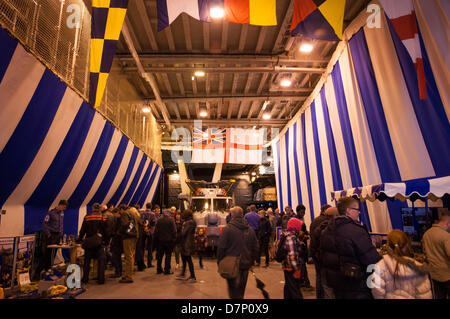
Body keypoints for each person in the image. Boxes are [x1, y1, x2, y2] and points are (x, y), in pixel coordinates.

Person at [320, 197, 382, 299]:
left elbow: (324, 258)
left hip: (336, 284)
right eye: (357, 210)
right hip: (357, 285)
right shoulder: (356, 231)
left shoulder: (326, 230)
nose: (359, 213)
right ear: (348, 211)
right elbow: (372, 261)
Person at [371, 230, 432, 299]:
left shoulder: (380, 266)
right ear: (406, 244)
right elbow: (424, 295)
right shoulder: (418, 267)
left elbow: (377, 292)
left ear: (389, 245)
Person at [217, 206, 259, 299]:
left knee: (233, 292)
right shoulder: (250, 230)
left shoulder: (227, 229)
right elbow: (256, 247)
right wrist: (252, 261)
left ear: (232, 215)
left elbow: (221, 247)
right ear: (242, 215)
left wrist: (219, 261)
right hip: (245, 265)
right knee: (241, 291)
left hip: (231, 265)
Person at [310, 206, 338, 299]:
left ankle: (319, 295)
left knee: (320, 277)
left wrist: (313, 254)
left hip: (319, 255)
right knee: (329, 284)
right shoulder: (331, 226)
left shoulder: (315, 222)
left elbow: (313, 241)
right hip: (327, 258)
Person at [422, 209, 450, 299]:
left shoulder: (426, 234)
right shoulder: (446, 236)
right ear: (448, 224)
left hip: (434, 274)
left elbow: (425, 252)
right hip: (447, 275)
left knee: (438, 296)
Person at [37, 200, 68, 275]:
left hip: (58, 236)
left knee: (53, 254)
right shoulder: (51, 213)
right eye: (63, 207)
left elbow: (61, 224)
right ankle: (37, 272)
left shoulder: (62, 213)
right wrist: (48, 235)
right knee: (47, 254)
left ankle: (48, 269)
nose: (64, 209)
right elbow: (45, 224)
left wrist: (61, 234)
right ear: (60, 205)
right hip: (51, 235)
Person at [78, 206, 107, 285]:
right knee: (101, 261)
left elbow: (83, 230)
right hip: (99, 243)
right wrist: (105, 241)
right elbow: (105, 230)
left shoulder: (87, 217)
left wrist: (79, 239)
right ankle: (101, 279)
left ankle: (85, 279)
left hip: (89, 242)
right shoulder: (103, 217)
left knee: (87, 261)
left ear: (92, 208)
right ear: (99, 209)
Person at [278, 218, 305, 299]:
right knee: (295, 291)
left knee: (288, 288)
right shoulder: (291, 237)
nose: (300, 228)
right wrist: (296, 269)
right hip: (291, 267)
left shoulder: (285, 235)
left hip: (286, 266)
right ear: (296, 227)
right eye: (299, 226)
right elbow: (292, 256)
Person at [119, 207, 140, 283]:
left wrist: (120, 232)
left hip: (128, 236)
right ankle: (128, 273)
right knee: (131, 256)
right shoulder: (134, 213)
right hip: (135, 235)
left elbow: (124, 225)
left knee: (128, 257)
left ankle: (128, 277)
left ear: (122, 209)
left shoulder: (125, 213)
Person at [154, 209, 177, 275]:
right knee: (168, 255)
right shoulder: (171, 220)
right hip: (168, 241)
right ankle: (167, 270)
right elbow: (174, 231)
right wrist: (174, 239)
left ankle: (159, 269)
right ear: (169, 214)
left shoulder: (159, 220)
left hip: (160, 241)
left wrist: (156, 239)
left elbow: (156, 231)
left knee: (160, 256)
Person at [177, 209, 197, 282]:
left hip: (186, 244)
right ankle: (183, 274)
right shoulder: (192, 222)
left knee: (188, 260)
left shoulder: (188, 223)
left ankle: (193, 276)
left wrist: (181, 227)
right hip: (188, 243)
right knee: (185, 259)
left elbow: (183, 233)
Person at [140, 203, 156, 268]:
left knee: (142, 248)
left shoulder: (142, 213)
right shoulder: (153, 214)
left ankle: (142, 263)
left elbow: (141, 222)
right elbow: (154, 222)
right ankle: (149, 263)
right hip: (150, 233)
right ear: (151, 207)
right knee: (150, 248)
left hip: (143, 232)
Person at [109, 207, 123, 278]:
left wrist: (113, 234)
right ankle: (119, 271)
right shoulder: (120, 219)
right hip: (119, 241)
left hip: (117, 241)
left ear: (117, 213)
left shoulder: (119, 220)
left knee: (115, 257)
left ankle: (118, 272)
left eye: (114, 214)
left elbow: (117, 231)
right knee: (118, 257)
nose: (114, 215)